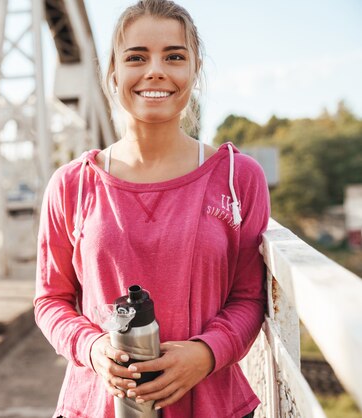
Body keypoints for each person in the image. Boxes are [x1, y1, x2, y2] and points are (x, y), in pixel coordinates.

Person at [34, 1, 270, 417]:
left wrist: (206, 353)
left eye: (174, 56)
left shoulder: (237, 177)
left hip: (212, 404)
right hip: (97, 406)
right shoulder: (71, 184)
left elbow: (250, 297)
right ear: (113, 72)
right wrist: (93, 348)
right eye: (136, 57)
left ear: (195, 70)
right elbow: (51, 300)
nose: (155, 71)